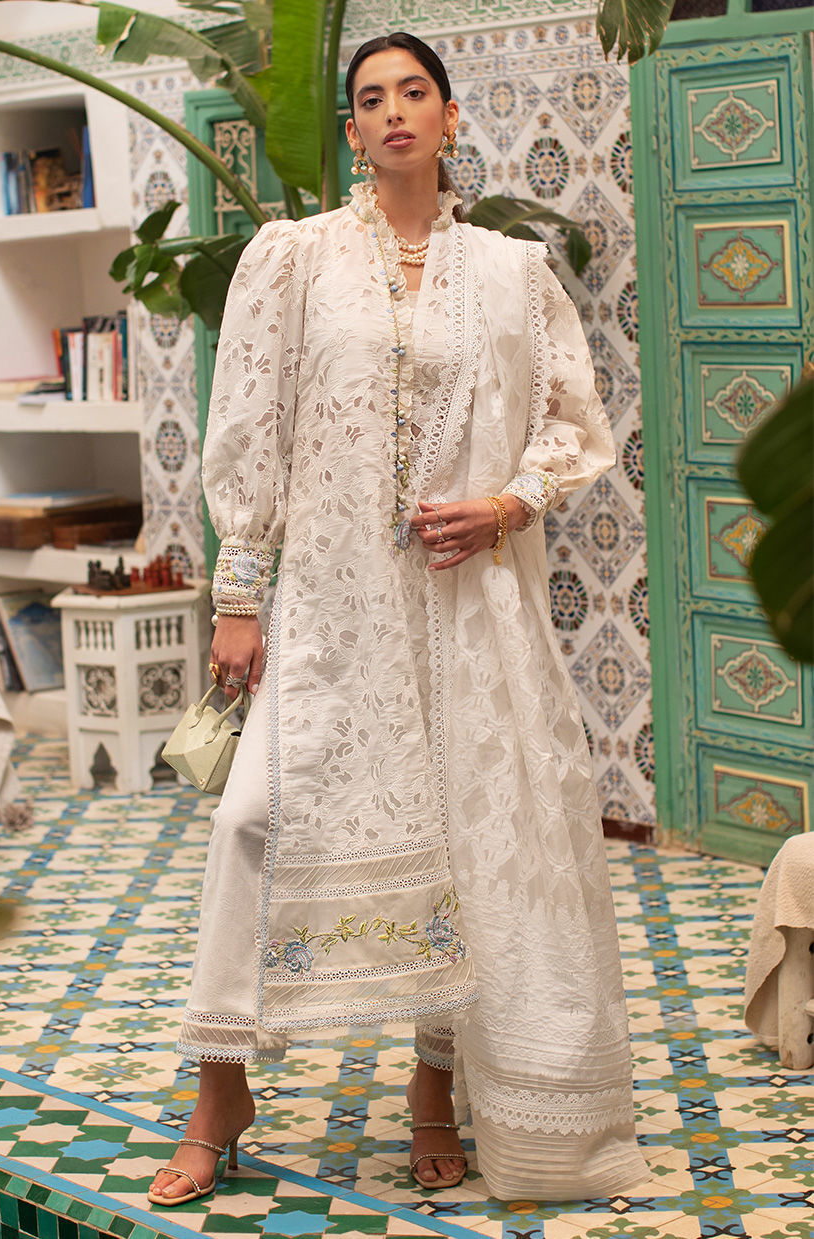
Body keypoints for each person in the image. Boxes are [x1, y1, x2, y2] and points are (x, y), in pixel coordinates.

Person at [148, 30, 648, 1207]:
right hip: (333, 615)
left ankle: (435, 1083)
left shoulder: (511, 272)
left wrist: (507, 505)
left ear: (450, 115)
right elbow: (251, 426)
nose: (393, 112)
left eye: (414, 92)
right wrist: (238, 597)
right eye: (370, 99)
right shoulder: (296, 259)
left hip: (472, 610)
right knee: (251, 825)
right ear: (354, 130)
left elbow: (573, 421)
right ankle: (220, 1089)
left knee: (469, 844)